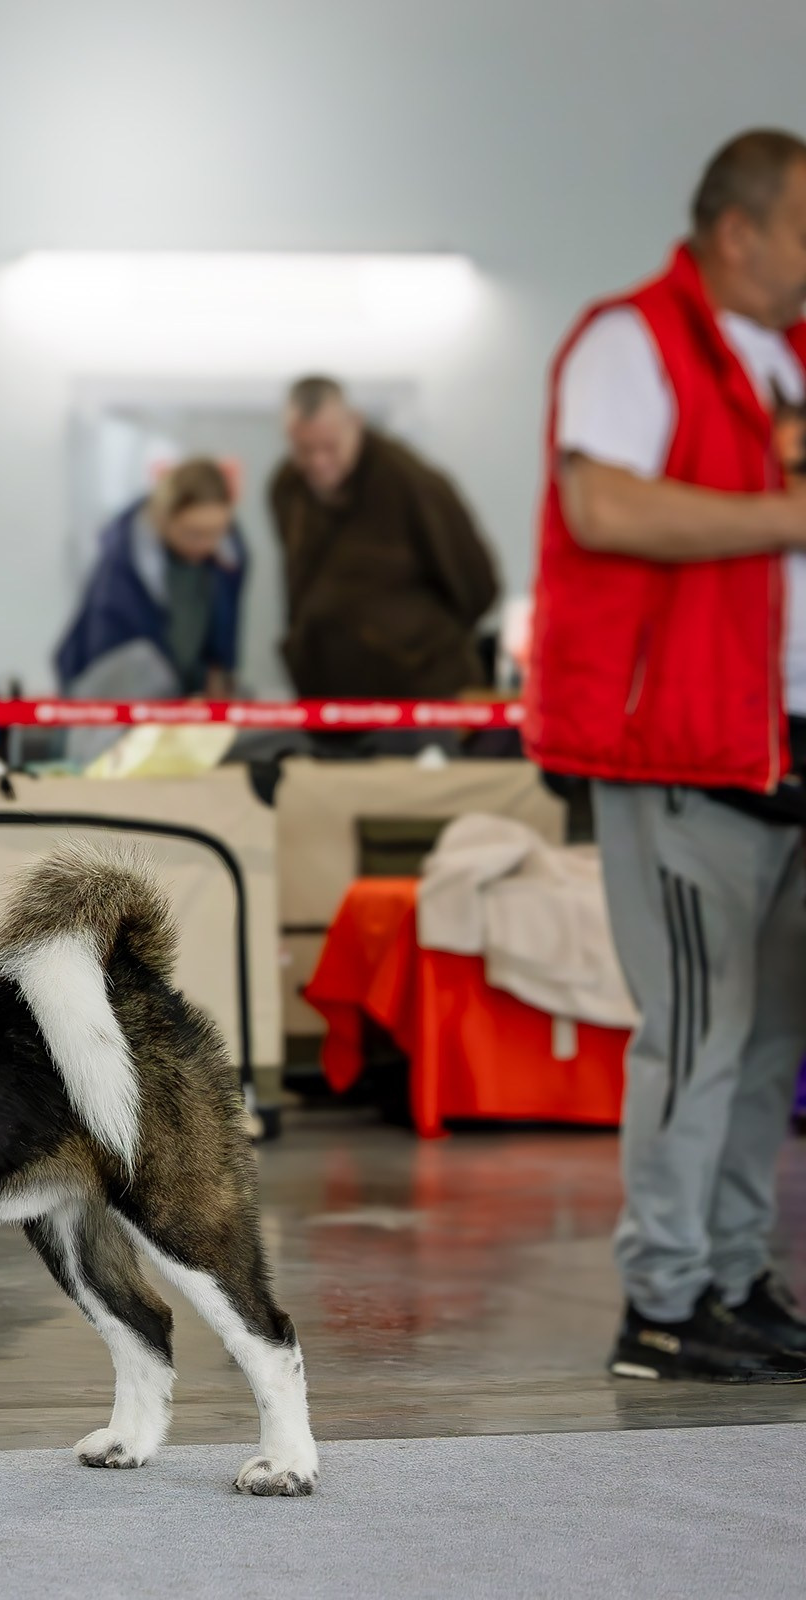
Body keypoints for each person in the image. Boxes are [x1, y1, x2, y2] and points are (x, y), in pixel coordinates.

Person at [528, 128, 806, 1383]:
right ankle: (662, 1302)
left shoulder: (786, 359)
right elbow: (604, 506)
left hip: (782, 743)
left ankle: (736, 1275)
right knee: (697, 1031)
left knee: (765, 1039)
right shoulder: (632, 340)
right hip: (679, 748)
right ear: (738, 230)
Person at [269, 376, 499, 698]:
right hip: (328, 697)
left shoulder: (410, 481)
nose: (319, 462)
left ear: (355, 424)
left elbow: (478, 586)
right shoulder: (287, 488)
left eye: (330, 447)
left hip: (416, 692)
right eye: (305, 449)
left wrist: (402, 641)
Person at [55, 457, 245, 698]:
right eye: (193, 533)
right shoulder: (122, 563)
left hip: (185, 698)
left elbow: (222, 643)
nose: (206, 545)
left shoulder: (230, 556)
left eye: (216, 532)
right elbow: (111, 669)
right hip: (116, 699)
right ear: (164, 519)